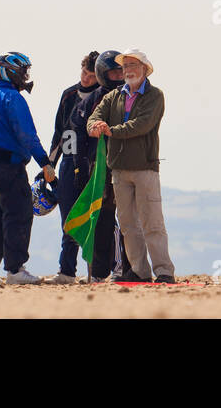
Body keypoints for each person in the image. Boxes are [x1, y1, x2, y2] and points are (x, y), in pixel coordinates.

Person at [86, 49, 175, 283]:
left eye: (132, 65)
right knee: (127, 225)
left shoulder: (155, 96)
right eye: (125, 66)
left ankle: (164, 271)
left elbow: (142, 124)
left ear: (145, 68)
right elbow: (94, 118)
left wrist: (110, 131)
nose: (128, 70)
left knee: (152, 222)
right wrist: (96, 126)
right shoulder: (113, 96)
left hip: (145, 168)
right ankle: (139, 271)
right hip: (118, 170)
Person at [0, 51, 55, 285]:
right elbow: (27, 134)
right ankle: (16, 270)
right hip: (10, 166)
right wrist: (45, 163)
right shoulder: (13, 98)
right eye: (22, 71)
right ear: (9, 72)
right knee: (18, 214)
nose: (25, 76)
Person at [43, 50, 99, 284]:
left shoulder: (102, 96)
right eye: (84, 72)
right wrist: (48, 163)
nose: (85, 78)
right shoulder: (68, 95)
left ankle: (97, 272)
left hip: (92, 163)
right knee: (69, 220)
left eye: (91, 75)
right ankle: (67, 272)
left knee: (95, 218)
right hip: (67, 161)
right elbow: (59, 132)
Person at [78, 49, 127, 282]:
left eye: (121, 71)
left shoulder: (131, 96)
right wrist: (79, 168)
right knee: (101, 221)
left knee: (128, 220)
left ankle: (125, 269)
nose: (118, 76)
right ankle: (99, 273)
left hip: (126, 165)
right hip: (98, 169)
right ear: (102, 73)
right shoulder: (91, 101)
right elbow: (75, 135)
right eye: (113, 72)